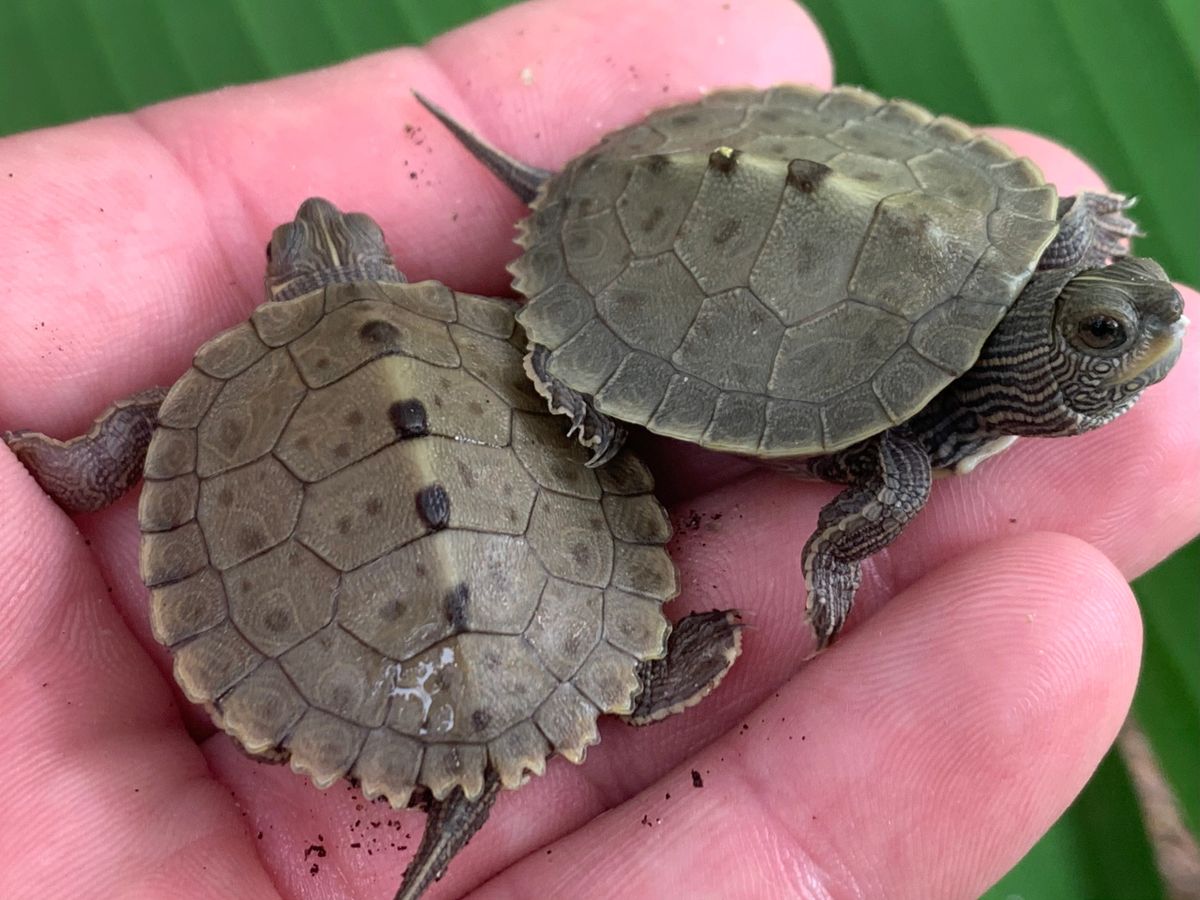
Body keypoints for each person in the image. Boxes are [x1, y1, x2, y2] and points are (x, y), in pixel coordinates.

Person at [0, 0, 1195, 897]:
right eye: (1099, 326)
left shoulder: (226, 395)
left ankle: (624, 681)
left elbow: (133, 443)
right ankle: (622, 683)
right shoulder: (481, 338)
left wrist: (59, 467)